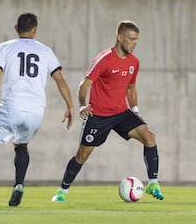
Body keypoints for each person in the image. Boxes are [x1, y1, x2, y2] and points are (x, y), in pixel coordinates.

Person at [0, 12, 74, 207]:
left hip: (12, 106)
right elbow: (60, 80)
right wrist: (70, 106)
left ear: (16, 28)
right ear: (35, 29)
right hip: (36, 110)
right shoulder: (46, 51)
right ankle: (19, 185)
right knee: (21, 146)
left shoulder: (5, 48)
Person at [52, 20, 164, 202]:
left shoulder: (134, 62)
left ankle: (153, 183)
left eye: (136, 40)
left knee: (149, 137)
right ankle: (62, 191)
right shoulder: (104, 58)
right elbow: (84, 84)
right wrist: (82, 104)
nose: (134, 43)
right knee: (83, 154)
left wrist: (135, 110)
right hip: (99, 115)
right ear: (119, 37)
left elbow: (131, 87)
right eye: (131, 39)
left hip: (121, 113)